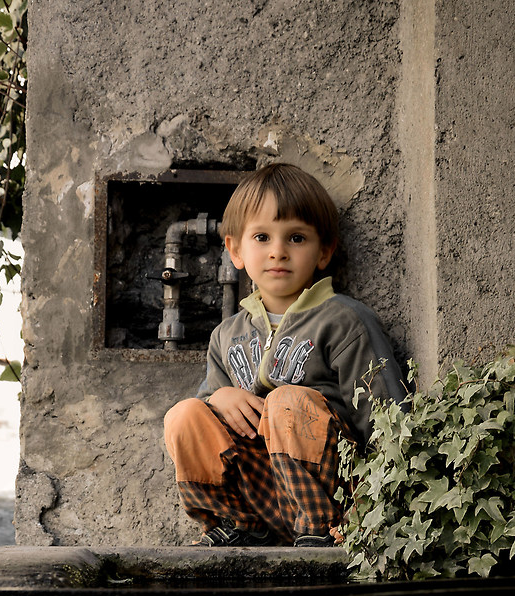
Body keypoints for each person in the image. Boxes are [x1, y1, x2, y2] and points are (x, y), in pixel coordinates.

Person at [163, 162, 403, 547]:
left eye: (295, 238)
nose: (278, 252)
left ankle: (319, 526)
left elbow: (387, 421)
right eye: (261, 237)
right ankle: (235, 525)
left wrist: (372, 509)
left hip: (336, 495)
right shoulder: (227, 335)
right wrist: (216, 397)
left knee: (285, 402)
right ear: (235, 250)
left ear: (324, 251)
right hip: (262, 494)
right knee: (184, 415)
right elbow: (208, 427)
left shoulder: (343, 320)